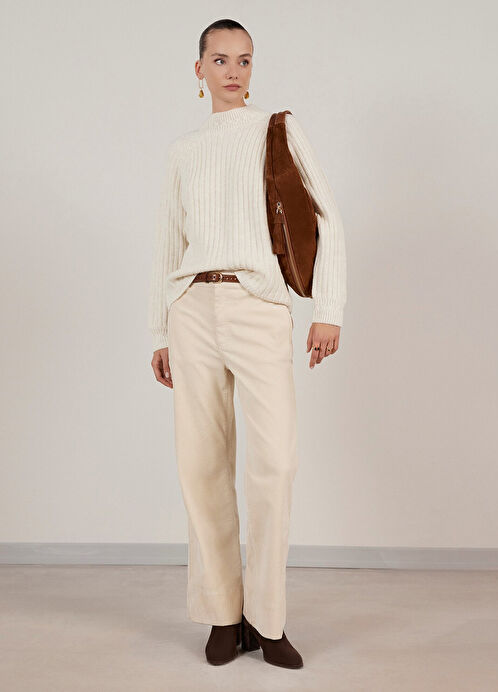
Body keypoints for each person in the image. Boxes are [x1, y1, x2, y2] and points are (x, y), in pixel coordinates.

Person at [148, 19, 347, 669]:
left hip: (258, 305)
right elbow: (168, 243)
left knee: (275, 464)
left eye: (244, 60)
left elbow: (325, 217)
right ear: (199, 69)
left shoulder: (276, 130)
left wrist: (328, 309)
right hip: (191, 308)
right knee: (200, 465)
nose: (233, 72)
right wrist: (160, 329)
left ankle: (267, 618)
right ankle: (222, 614)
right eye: (220, 60)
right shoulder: (183, 150)